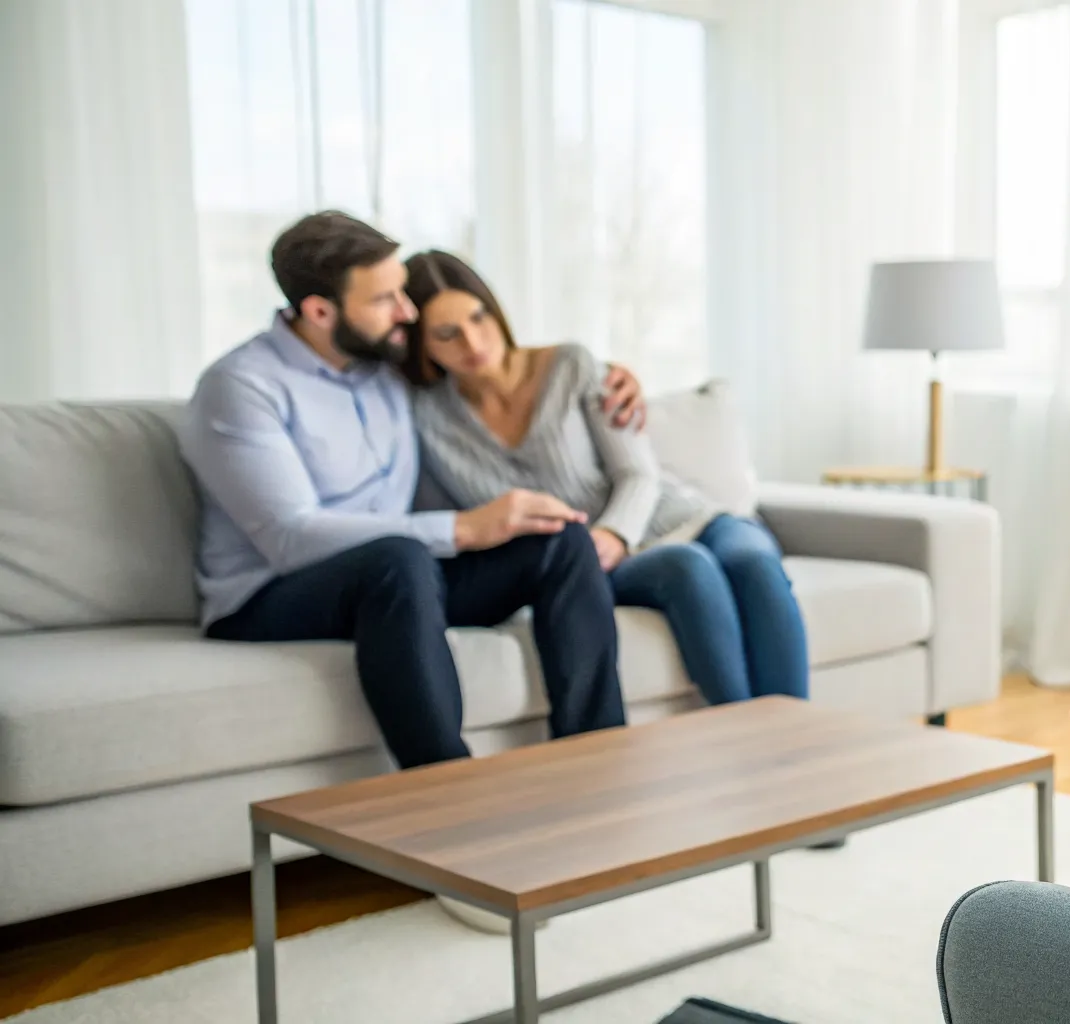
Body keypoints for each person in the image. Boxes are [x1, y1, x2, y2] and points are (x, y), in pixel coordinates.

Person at [181, 211, 652, 772]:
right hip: (272, 595)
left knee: (560, 540)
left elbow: (492, 365)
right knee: (399, 559)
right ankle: (446, 789)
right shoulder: (240, 387)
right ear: (319, 311)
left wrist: (609, 376)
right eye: (385, 300)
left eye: (401, 294)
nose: (407, 312)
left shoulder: (388, 368)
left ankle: (597, 766)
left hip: (401, 581)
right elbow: (289, 536)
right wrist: (462, 528)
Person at [399, 249, 811, 709]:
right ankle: (750, 733)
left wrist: (614, 532)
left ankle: (797, 736)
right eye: (447, 333)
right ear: (422, 344)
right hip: (590, 564)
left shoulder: (570, 366)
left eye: (479, 318)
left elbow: (636, 472)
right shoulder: (426, 420)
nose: (473, 342)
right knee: (688, 568)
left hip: (679, 517)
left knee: (754, 563)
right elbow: (451, 523)